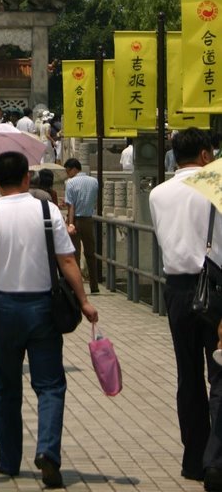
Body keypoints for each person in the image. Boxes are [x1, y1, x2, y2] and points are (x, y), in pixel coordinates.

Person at [0, 151, 98, 489]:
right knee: (51, 385)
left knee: (6, 388)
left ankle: (9, 460)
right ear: (27, 177)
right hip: (43, 308)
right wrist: (84, 301)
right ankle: (48, 452)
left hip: (3, 309)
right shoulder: (47, 210)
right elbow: (68, 260)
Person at [149, 128, 222, 488]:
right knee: (221, 374)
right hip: (215, 287)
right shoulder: (215, 186)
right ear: (206, 154)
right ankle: (217, 461)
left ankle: (193, 458)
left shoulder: (158, 193)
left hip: (176, 289)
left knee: (188, 376)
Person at [63, 158, 100, 295]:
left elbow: (71, 206)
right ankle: (94, 285)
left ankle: (76, 286)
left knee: (75, 254)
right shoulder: (94, 181)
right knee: (90, 253)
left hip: (76, 220)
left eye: (68, 171)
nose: (67, 174)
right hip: (89, 219)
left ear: (73, 169)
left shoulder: (71, 183)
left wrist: (70, 224)